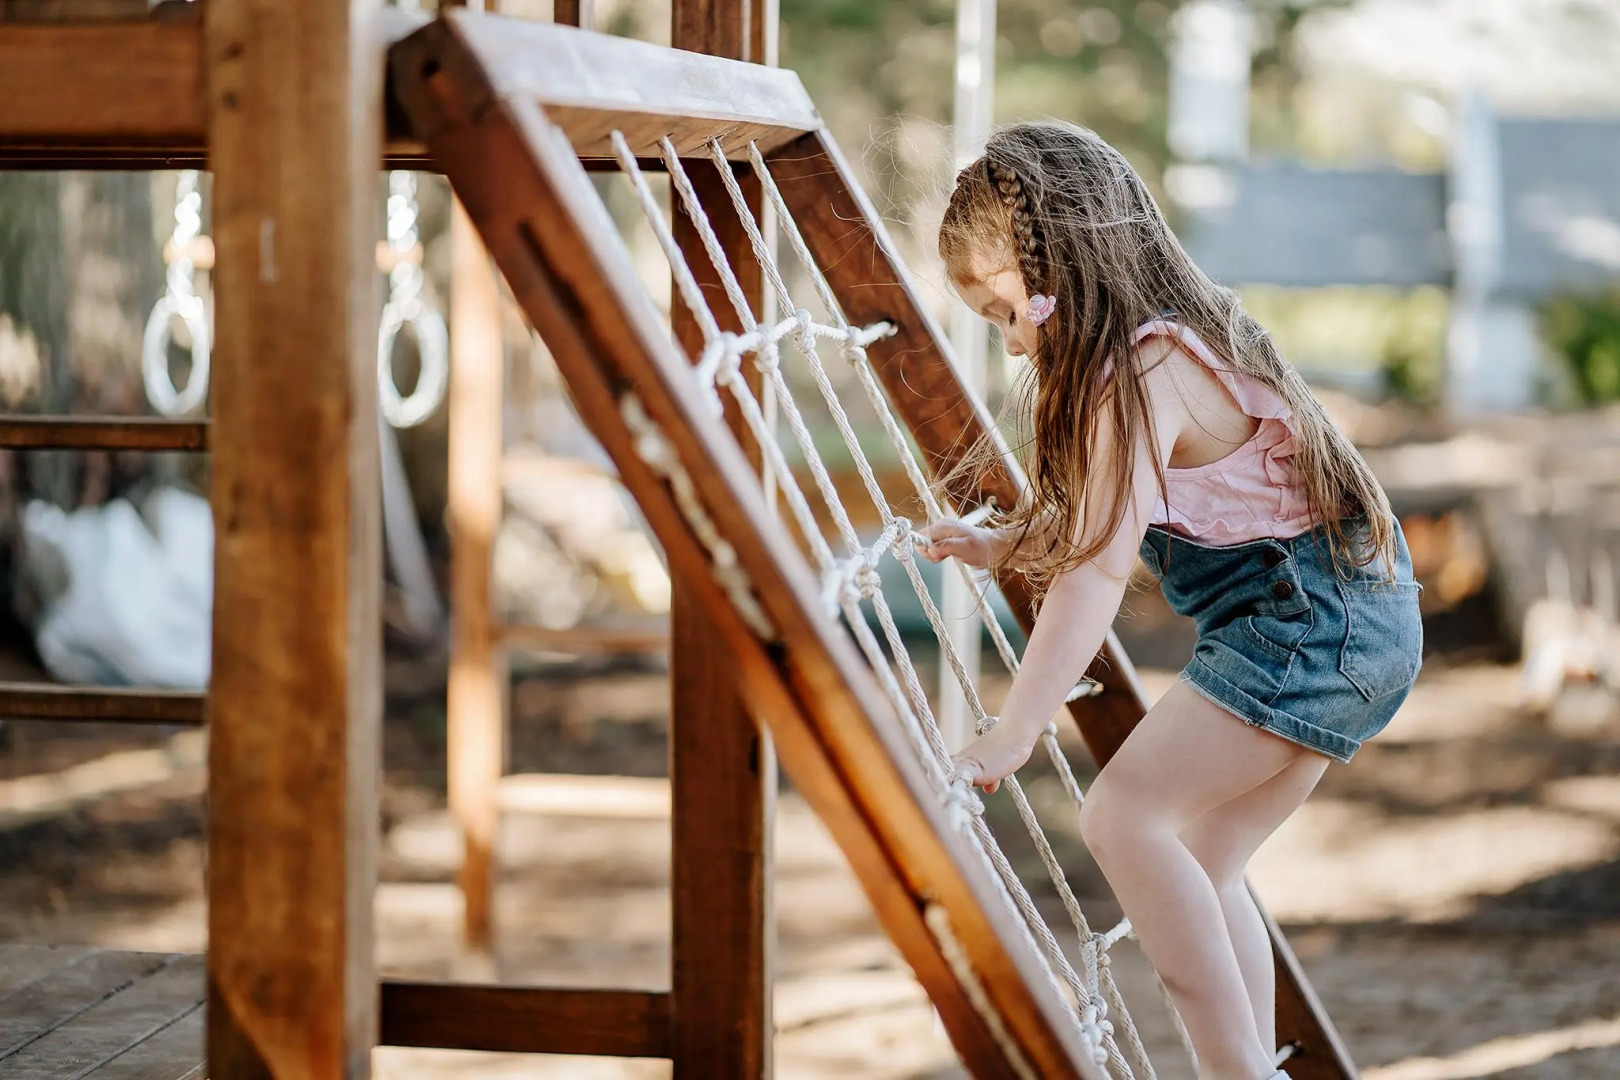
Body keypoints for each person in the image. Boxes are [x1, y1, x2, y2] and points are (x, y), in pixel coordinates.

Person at [919, 121, 1422, 1080]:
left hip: (1307, 626)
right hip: (1355, 618)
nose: (1014, 340)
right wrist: (1002, 543)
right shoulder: (1165, 351)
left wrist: (1016, 729)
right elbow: (1106, 516)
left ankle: (1233, 1073)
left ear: (1053, 267)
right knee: (1201, 852)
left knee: (1121, 820)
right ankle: (1250, 1069)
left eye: (1003, 310)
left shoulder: (1144, 372)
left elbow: (1100, 570)